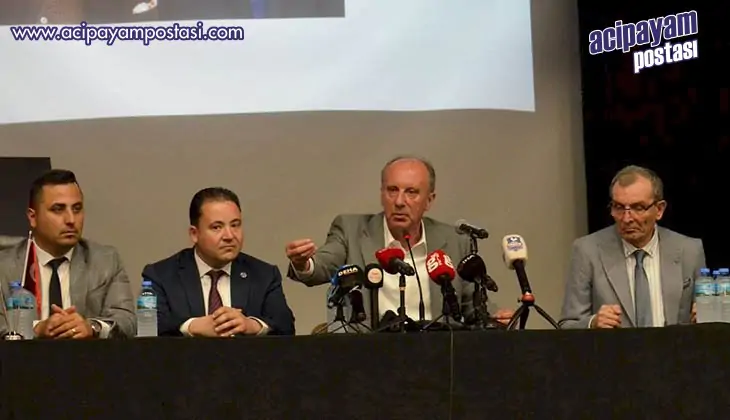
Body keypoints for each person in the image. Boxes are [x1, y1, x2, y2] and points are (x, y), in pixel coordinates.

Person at [285, 156, 513, 328]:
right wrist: (303, 264)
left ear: (429, 200)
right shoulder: (351, 230)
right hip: (367, 356)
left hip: (438, 354)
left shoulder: (455, 241)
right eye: (392, 190)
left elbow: (472, 305)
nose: (400, 201)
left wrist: (497, 317)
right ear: (381, 194)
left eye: (411, 192)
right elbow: (322, 266)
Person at [559, 165, 705, 329]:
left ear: (659, 210)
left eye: (638, 208)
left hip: (674, 346)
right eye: (619, 207)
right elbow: (567, 326)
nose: (627, 218)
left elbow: (707, 321)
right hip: (614, 346)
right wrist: (592, 323)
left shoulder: (689, 251)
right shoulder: (587, 251)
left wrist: (705, 318)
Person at [0, 169, 136, 339]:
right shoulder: (4, 266)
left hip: (85, 355)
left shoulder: (105, 261)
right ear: (33, 217)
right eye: (58, 209)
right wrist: (35, 330)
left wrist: (92, 327)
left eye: (77, 209)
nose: (71, 220)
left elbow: (127, 321)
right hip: (22, 356)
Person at [142, 187, 295, 337]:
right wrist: (191, 326)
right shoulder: (160, 275)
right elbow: (148, 326)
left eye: (235, 225)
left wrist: (252, 325)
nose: (229, 236)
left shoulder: (264, 275)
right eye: (217, 227)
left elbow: (286, 325)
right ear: (194, 234)